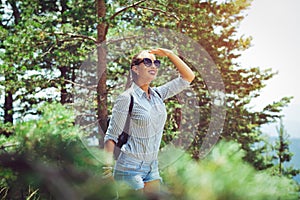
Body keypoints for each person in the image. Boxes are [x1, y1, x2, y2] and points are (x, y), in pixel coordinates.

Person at [103, 48, 195, 195]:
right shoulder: (127, 98)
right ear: (135, 69)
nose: (153, 66)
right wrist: (106, 171)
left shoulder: (158, 94)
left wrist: (170, 54)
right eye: (147, 62)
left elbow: (188, 77)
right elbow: (111, 136)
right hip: (129, 167)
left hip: (152, 167)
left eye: (156, 63)